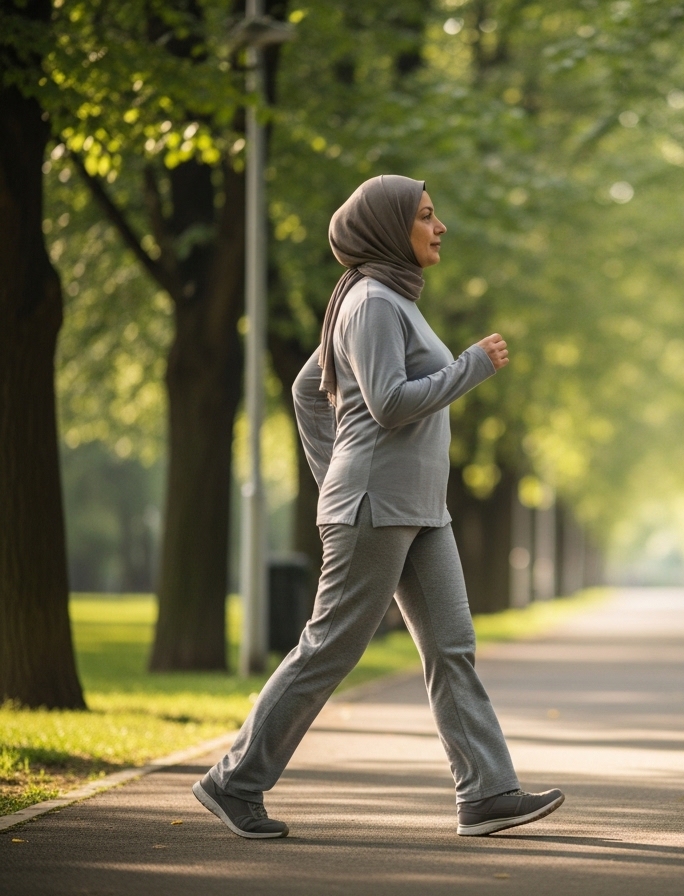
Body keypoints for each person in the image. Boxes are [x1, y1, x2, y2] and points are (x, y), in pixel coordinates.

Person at [192, 174, 563, 840]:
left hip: (421, 509)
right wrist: (470, 367)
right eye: (426, 215)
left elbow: (311, 389)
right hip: (375, 507)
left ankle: (485, 792)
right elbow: (389, 402)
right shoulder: (369, 303)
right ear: (391, 229)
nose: (439, 225)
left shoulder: (386, 300)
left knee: (452, 647)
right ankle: (234, 780)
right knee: (330, 646)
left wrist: (333, 468)